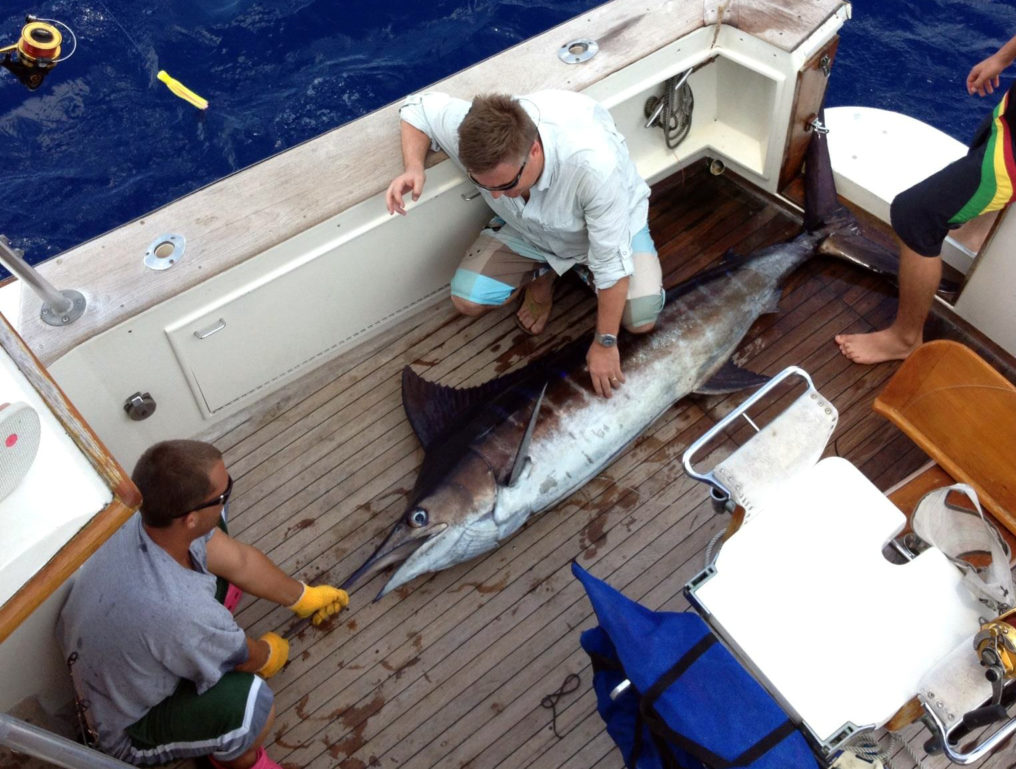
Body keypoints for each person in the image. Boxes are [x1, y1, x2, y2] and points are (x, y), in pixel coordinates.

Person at [57, 440, 348, 769]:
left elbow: (239, 560)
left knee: (218, 531)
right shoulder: (182, 612)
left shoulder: (138, 518)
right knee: (252, 705)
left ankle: (208, 638)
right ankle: (236, 759)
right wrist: (269, 655)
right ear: (190, 518)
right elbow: (244, 659)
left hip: (130, 653)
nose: (227, 499)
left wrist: (303, 596)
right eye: (223, 496)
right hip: (128, 728)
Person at [385, 90, 665, 398]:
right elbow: (416, 108)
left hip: (607, 232)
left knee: (640, 320)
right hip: (530, 231)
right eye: (482, 185)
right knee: (467, 298)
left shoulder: (594, 167)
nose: (495, 196)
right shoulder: (474, 132)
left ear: (533, 150)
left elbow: (612, 266)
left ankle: (582, 270)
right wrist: (414, 166)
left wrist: (604, 343)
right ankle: (544, 276)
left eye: (506, 185)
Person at [836, 29, 1016, 364]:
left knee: (916, 215)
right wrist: (1003, 58)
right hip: (1012, 118)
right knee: (977, 160)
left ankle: (905, 338)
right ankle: (969, 240)